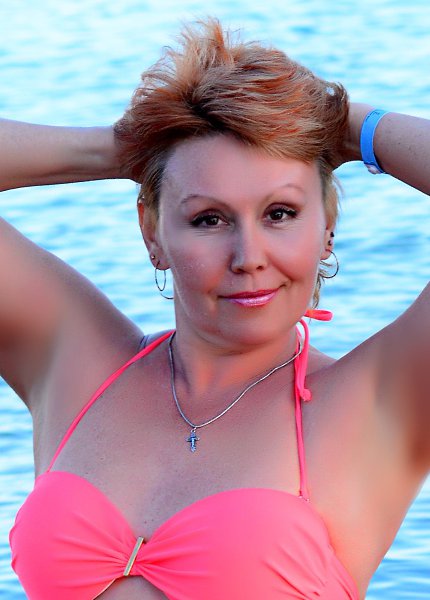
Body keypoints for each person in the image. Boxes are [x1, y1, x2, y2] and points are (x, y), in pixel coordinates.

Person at [1, 17, 429, 600]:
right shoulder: (75, 362)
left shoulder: (380, 401)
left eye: (280, 213)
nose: (249, 257)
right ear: (152, 232)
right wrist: (131, 148)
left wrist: (354, 127)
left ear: (326, 227)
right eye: (208, 218)